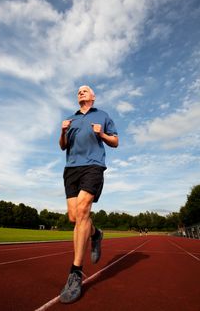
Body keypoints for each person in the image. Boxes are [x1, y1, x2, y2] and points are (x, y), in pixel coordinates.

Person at [59, 85, 119, 303]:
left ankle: (75, 273)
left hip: (93, 166)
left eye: (85, 91)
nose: (80, 92)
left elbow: (115, 142)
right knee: (74, 218)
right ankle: (95, 234)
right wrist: (63, 131)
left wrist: (101, 133)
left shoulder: (103, 115)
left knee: (84, 210)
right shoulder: (70, 119)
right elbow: (62, 146)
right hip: (71, 169)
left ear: (93, 97)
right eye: (78, 92)